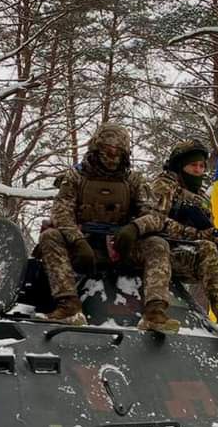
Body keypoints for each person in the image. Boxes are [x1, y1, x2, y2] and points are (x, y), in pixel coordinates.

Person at [122, 139, 218, 337]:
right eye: (192, 165)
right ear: (180, 166)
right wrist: (199, 235)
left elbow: (208, 231)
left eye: (201, 166)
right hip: (161, 251)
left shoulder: (202, 198)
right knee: (206, 249)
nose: (198, 170)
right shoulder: (164, 186)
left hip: (187, 253)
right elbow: (154, 221)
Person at [37, 122, 149, 326]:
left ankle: (155, 312)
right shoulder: (76, 176)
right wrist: (77, 240)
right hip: (82, 246)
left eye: (118, 151)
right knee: (50, 237)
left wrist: (134, 229)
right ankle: (69, 305)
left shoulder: (133, 180)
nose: (112, 155)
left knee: (158, 244)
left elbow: (152, 215)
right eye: (107, 149)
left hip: (119, 247)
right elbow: (61, 213)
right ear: (97, 148)